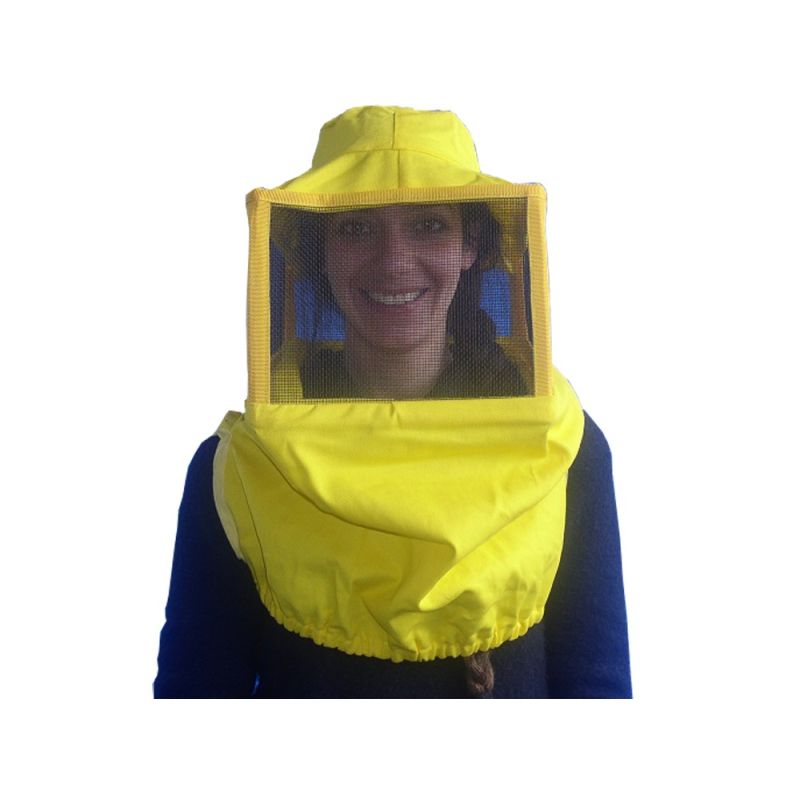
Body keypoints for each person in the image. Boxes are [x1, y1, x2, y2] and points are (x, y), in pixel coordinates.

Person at [154, 106, 632, 698]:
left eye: (429, 225)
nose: (394, 261)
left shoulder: (563, 445)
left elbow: (597, 687)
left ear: (471, 246)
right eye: (356, 228)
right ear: (320, 250)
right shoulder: (238, 467)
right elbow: (194, 694)